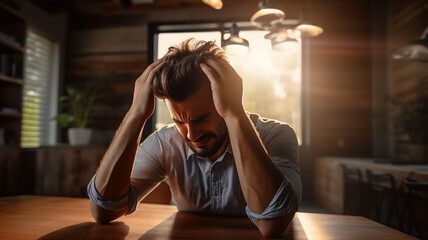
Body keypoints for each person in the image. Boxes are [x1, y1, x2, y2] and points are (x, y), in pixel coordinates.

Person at [87, 39, 301, 237]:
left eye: (201, 118)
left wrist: (235, 113)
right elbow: (103, 211)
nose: (191, 134)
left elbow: (272, 224)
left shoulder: (276, 136)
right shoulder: (164, 142)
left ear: (226, 101)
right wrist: (135, 114)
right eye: (179, 121)